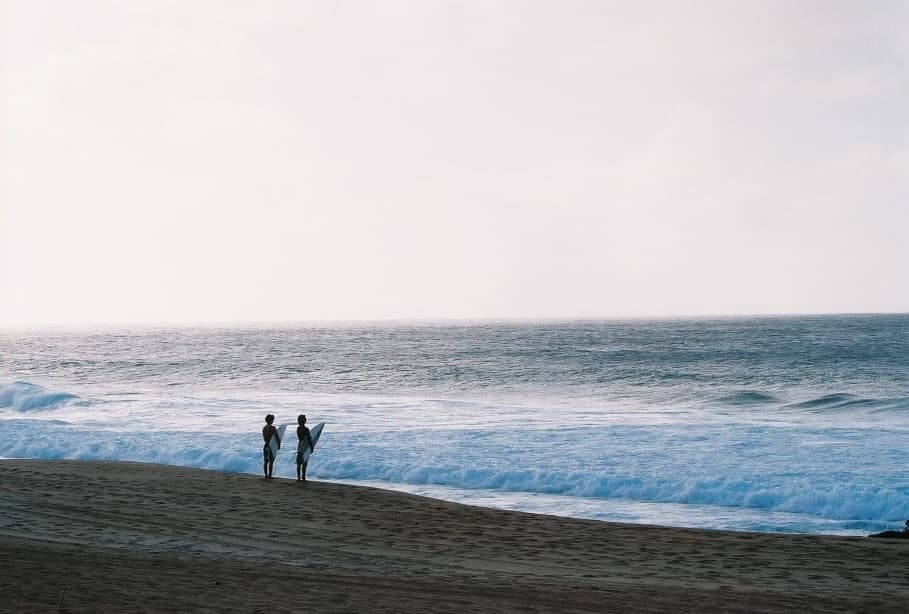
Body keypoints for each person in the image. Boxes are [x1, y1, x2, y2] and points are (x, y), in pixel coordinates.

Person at [296, 414, 315, 482]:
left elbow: (300, 438)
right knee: (305, 462)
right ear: (304, 421)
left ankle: (298, 477)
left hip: (299, 446)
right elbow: (309, 439)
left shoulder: (298, 428)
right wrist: (311, 447)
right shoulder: (306, 429)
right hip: (305, 447)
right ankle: (303, 476)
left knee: (299, 463)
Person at [262, 414, 280, 479]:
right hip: (271, 446)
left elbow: (264, 438)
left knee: (266, 461)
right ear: (271, 420)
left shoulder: (264, 428)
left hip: (265, 445)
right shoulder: (273, 428)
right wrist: (279, 445)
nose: (273, 421)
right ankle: (270, 475)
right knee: (271, 461)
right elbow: (277, 437)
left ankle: (266, 475)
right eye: (272, 420)